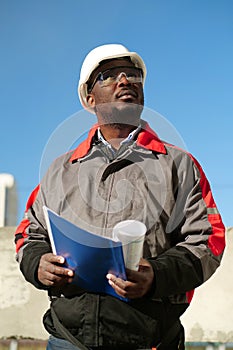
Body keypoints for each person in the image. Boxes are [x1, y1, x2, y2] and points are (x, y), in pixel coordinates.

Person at [15, 44, 225, 350]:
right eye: (108, 76)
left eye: (133, 75)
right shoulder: (60, 170)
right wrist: (38, 264)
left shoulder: (178, 165)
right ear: (89, 98)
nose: (125, 81)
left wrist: (156, 275)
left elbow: (209, 240)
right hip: (68, 339)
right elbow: (28, 234)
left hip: (150, 338)